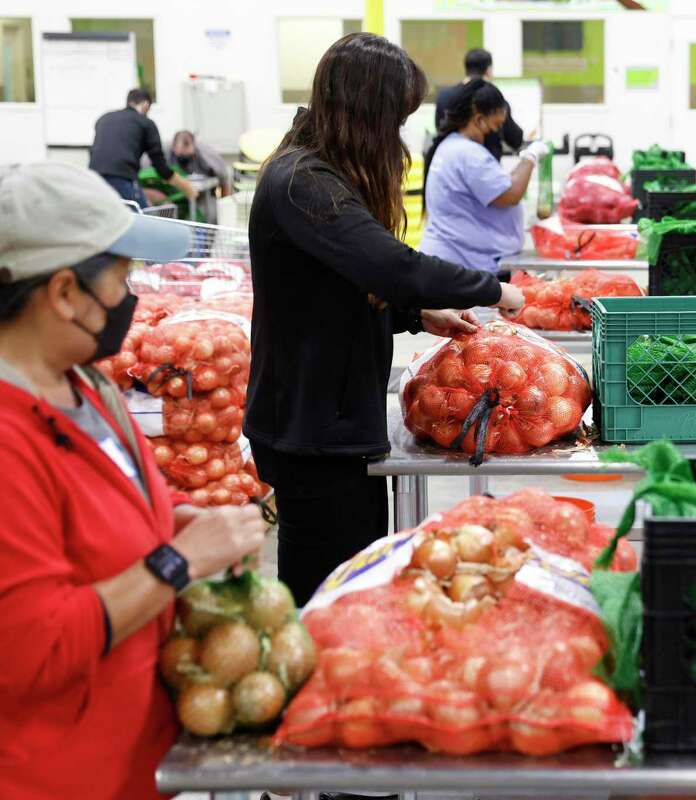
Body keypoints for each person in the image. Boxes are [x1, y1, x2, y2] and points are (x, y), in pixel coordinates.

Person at [0, 162, 268, 799]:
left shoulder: (85, 383)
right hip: (58, 776)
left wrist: (179, 516)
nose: (133, 301)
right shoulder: (10, 438)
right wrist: (177, 562)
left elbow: (129, 493)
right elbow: (33, 651)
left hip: (135, 758)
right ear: (64, 292)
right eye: (122, 279)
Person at [245, 34, 524, 607]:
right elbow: (390, 265)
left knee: (361, 578)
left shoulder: (317, 173)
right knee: (331, 595)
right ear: (364, 113)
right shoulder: (303, 183)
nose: (396, 137)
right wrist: (497, 291)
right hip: (311, 426)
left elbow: (337, 288)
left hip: (332, 418)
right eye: (393, 119)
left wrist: (416, 314)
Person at [420, 78, 550, 277]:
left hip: (457, 261)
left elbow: (501, 184)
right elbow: (511, 193)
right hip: (462, 265)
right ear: (479, 120)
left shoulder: (451, 146)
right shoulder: (468, 154)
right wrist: (530, 157)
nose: (496, 133)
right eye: (495, 126)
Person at [89, 89, 197, 208]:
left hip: (93, 178)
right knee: (142, 217)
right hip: (122, 177)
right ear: (146, 105)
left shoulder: (104, 118)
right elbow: (161, 167)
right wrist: (187, 188)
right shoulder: (146, 123)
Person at [434, 48, 524, 161]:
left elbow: (440, 130)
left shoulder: (444, 97)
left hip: (451, 167)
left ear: (466, 68)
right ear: (489, 70)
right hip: (486, 169)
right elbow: (515, 140)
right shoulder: (494, 101)